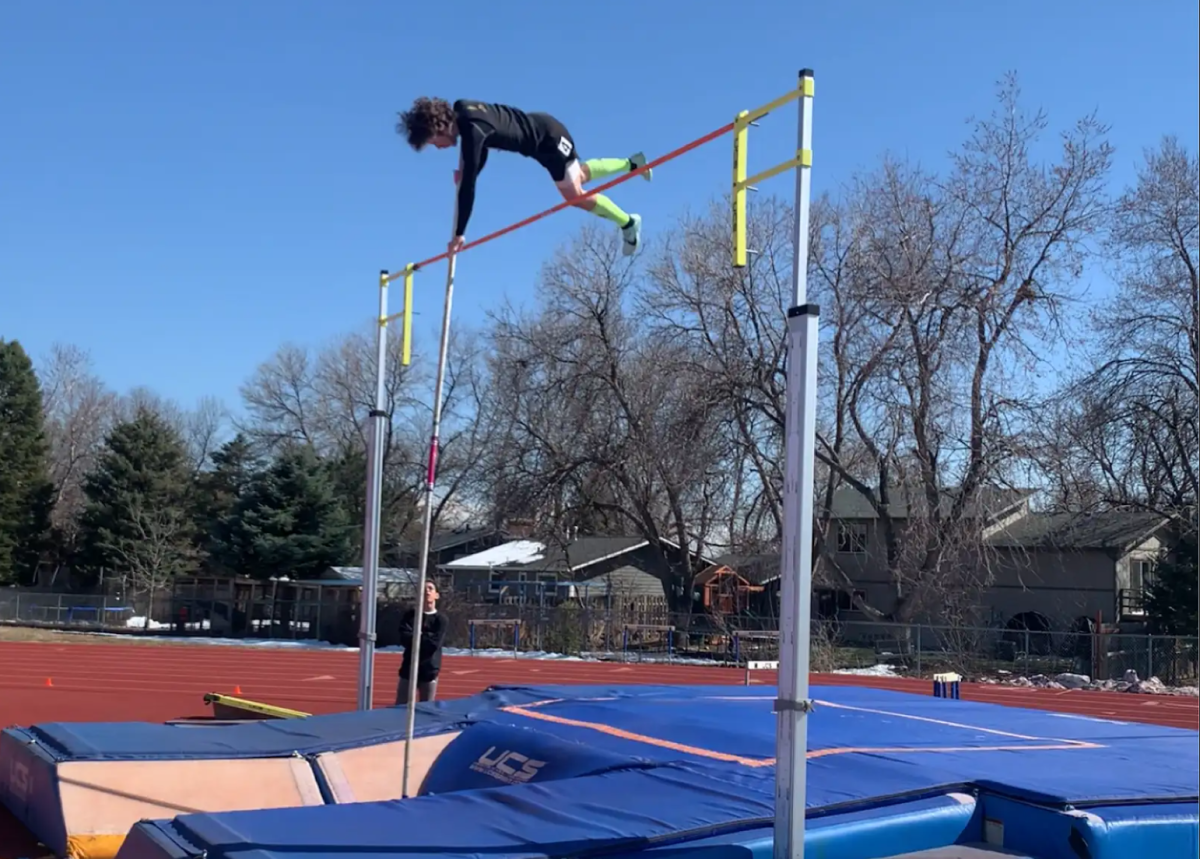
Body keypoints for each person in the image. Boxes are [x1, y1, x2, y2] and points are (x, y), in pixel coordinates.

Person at [396, 97, 651, 257]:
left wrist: (460, 233)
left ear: (439, 128)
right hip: (541, 132)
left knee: (574, 195)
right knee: (578, 174)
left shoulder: (471, 132)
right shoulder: (463, 109)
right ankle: (633, 163)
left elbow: (469, 184)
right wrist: (469, 171)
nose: (438, 147)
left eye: (433, 142)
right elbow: (481, 148)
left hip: (546, 139)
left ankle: (628, 223)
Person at [395, 580, 447, 705]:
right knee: (401, 706)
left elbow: (433, 644)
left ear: (436, 595)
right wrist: (423, 637)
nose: (427, 591)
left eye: (430, 588)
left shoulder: (441, 619)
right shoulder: (410, 616)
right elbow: (404, 638)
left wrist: (417, 637)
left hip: (429, 669)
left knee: (427, 707)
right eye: (423, 589)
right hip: (409, 668)